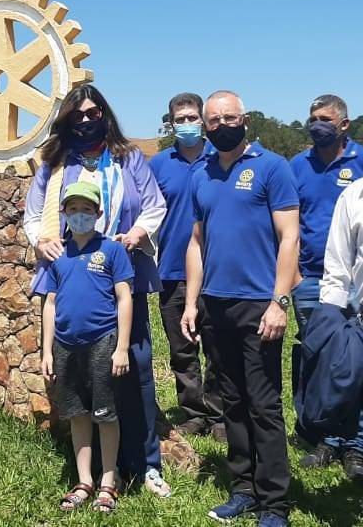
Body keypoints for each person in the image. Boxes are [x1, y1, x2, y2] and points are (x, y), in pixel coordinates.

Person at [23, 84, 171, 497]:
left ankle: (144, 463)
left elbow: (153, 205)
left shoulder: (128, 158)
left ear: (105, 113)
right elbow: (34, 215)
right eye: (78, 115)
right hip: (74, 282)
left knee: (135, 365)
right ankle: (92, 472)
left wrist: (139, 231)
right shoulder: (54, 164)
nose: (87, 120)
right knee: (79, 376)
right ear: (67, 119)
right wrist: (41, 241)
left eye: (93, 113)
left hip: (123, 275)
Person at [182, 90, 299, 527]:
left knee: (263, 404)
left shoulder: (272, 167)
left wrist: (279, 302)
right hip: (216, 304)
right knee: (231, 400)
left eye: (228, 118)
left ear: (245, 119)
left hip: (259, 306)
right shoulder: (203, 174)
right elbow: (196, 242)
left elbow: (290, 237)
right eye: (213, 120)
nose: (220, 125)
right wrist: (192, 303)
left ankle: (275, 503)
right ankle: (244, 487)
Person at [288, 94, 363, 482]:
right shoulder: (297, 166)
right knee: (321, 361)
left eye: (324, 118)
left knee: (353, 363)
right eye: (312, 118)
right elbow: (287, 224)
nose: (316, 124)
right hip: (310, 278)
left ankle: (355, 445)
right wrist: (292, 278)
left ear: (344, 124)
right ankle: (327, 438)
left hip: (358, 280)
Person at [40, 181, 134, 513]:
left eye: (86, 209)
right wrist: (47, 351)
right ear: (64, 213)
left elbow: (124, 299)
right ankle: (84, 481)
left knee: (105, 414)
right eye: (73, 209)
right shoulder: (59, 254)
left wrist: (121, 347)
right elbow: (50, 304)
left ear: (98, 213)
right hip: (66, 346)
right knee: (77, 414)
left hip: (102, 342)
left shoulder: (111, 250)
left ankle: (108, 481)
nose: (80, 215)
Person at [148, 92, 224, 441]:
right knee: (182, 348)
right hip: (171, 272)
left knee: (217, 346)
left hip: (216, 271)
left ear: (204, 121)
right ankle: (193, 411)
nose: (187, 124)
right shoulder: (159, 165)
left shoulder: (221, 158)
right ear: (171, 123)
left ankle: (221, 414)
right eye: (180, 119)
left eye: (193, 118)